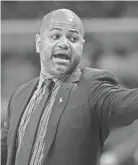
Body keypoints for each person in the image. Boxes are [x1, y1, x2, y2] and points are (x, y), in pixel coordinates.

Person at [1, 8, 138, 165]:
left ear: (82, 46)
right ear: (38, 43)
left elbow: (126, 102)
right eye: (55, 36)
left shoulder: (93, 86)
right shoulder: (20, 95)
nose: (64, 43)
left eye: (73, 38)